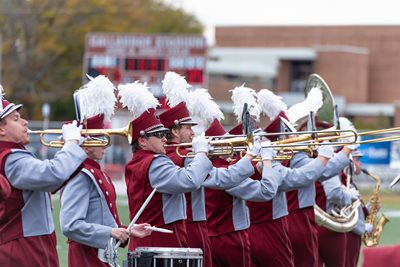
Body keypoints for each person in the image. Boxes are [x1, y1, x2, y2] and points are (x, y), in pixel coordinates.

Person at [59, 76, 152, 267]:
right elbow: (71, 225)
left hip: (101, 255)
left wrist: (127, 229)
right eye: (99, 138)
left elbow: (98, 218)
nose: (106, 143)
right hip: (86, 258)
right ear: (84, 144)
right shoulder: (81, 174)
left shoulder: (94, 171)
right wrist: (110, 233)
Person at [118, 81, 213, 250]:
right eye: (159, 134)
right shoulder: (155, 162)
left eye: (164, 133)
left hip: (149, 241)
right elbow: (189, 180)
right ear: (142, 141)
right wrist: (201, 153)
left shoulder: (138, 161)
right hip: (162, 241)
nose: (164, 138)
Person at [0, 87, 87, 267]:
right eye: (16, 119)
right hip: (23, 249)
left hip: (27, 246)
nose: (25, 122)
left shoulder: (13, 154)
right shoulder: (10, 158)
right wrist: (71, 143)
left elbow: (54, 180)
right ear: (1, 130)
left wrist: (75, 149)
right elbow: (51, 174)